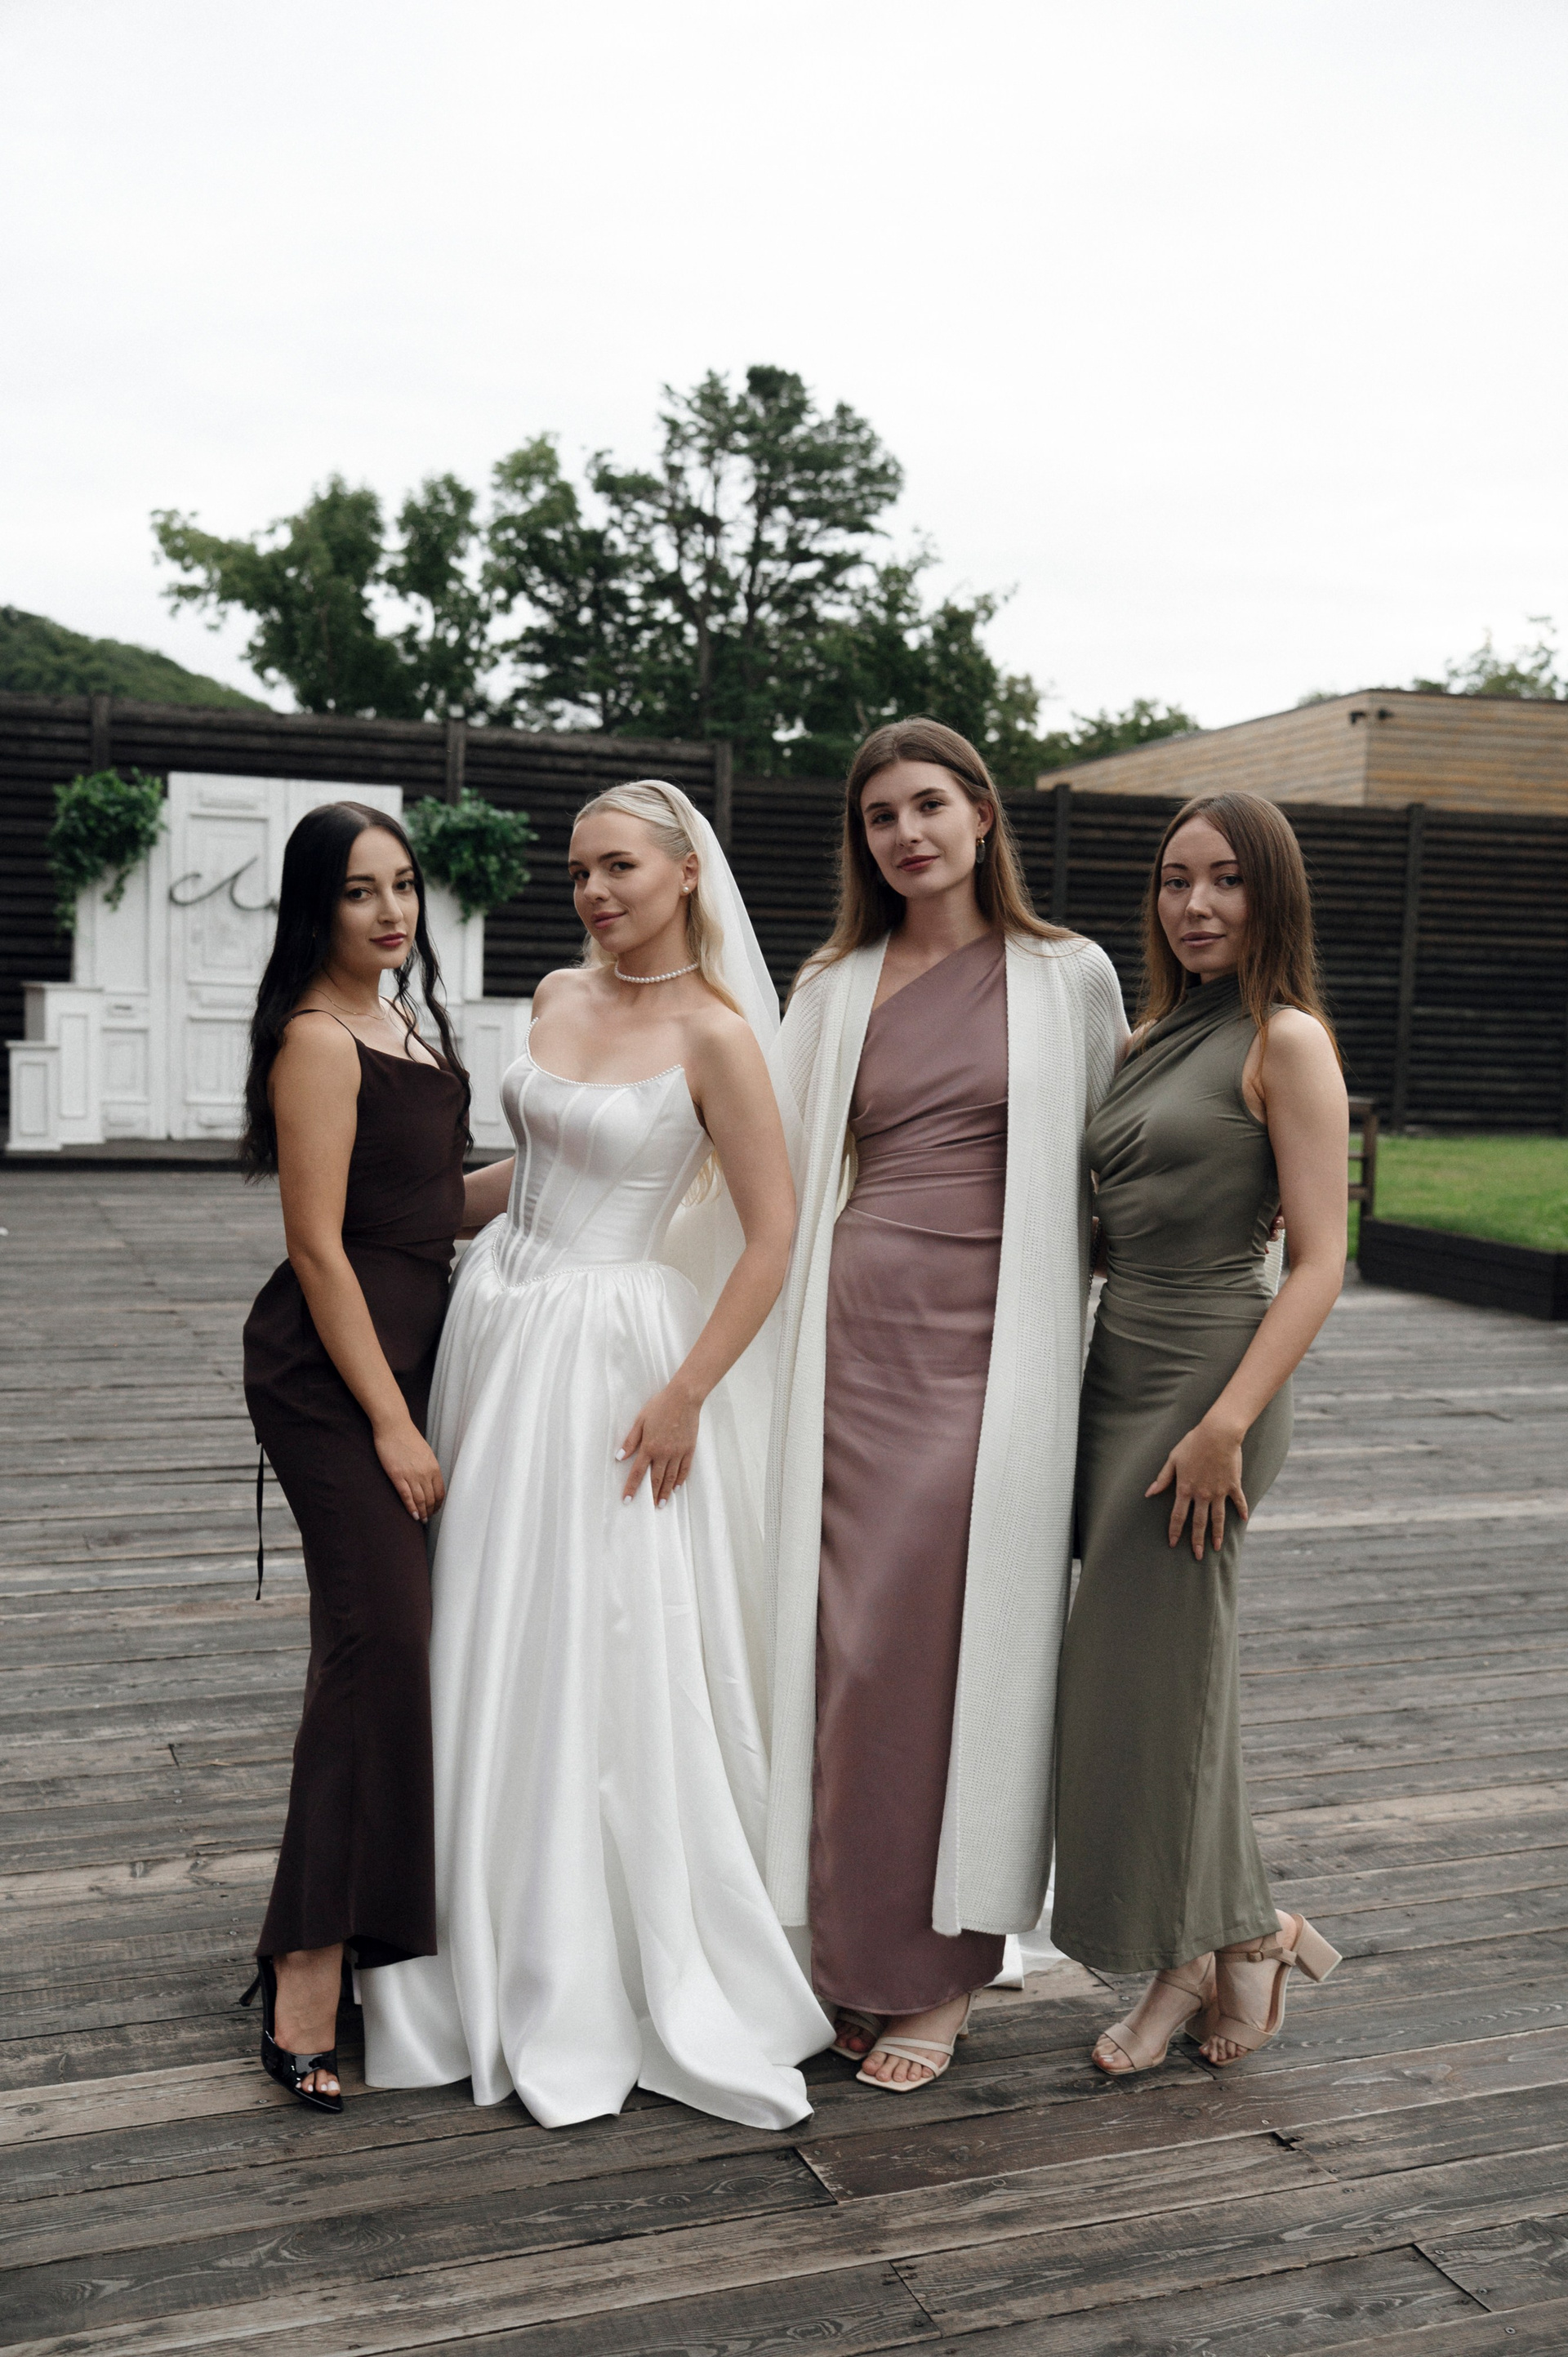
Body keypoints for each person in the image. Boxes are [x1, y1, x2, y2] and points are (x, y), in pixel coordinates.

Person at [359, 780, 831, 2130]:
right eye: (577, 871)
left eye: (617, 866)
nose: (593, 892)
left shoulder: (718, 1033)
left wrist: (686, 1393)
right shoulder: (557, 995)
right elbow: (533, 1164)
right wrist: (393, 1216)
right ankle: (455, 1907)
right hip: (499, 1319)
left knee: (596, 1621)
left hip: (616, 1349)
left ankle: (587, 1942)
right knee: (481, 1605)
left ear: (685, 872)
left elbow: (773, 1235)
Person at [764, 720, 1127, 2092]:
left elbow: (1119, 1161)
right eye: (880, 816)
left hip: (1000, 1346)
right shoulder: (832, 984)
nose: (907, 834)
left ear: (982, 813)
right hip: (854, 1336)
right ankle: (852, 1958)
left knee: (943, 1648)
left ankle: (945, 1971)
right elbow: (763, 1161)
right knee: (848, 1652)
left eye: (929, 804)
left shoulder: (1068, 973)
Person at [1051, 790, 1348, 2073]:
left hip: (1214, 1385)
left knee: (1156, 1679)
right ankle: (1250, 1936)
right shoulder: (1143, 1039)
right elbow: (1104, 1226)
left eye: (1225, 878)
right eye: (1176, 880)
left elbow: (1321, 1260)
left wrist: (1227, 1421)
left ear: (1270, 893)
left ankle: (1185, 1959)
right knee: (1167, 1680)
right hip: (1117, 1366)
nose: (1196, 904)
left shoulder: (1288, 1042)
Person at [240, 802, 470, 2113]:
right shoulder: (319, 1041)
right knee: (378, 1643)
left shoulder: (407, 1024)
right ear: (314, 907)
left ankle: (353, 1930)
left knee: (386, 1646)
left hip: (417, 1351)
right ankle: (307, 1963)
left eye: (404, 885)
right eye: (359, 891)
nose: (391, 911)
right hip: (336, 1378)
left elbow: (432, 1208)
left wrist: (608, 1155)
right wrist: (390, 1420)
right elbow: (321, 1248)